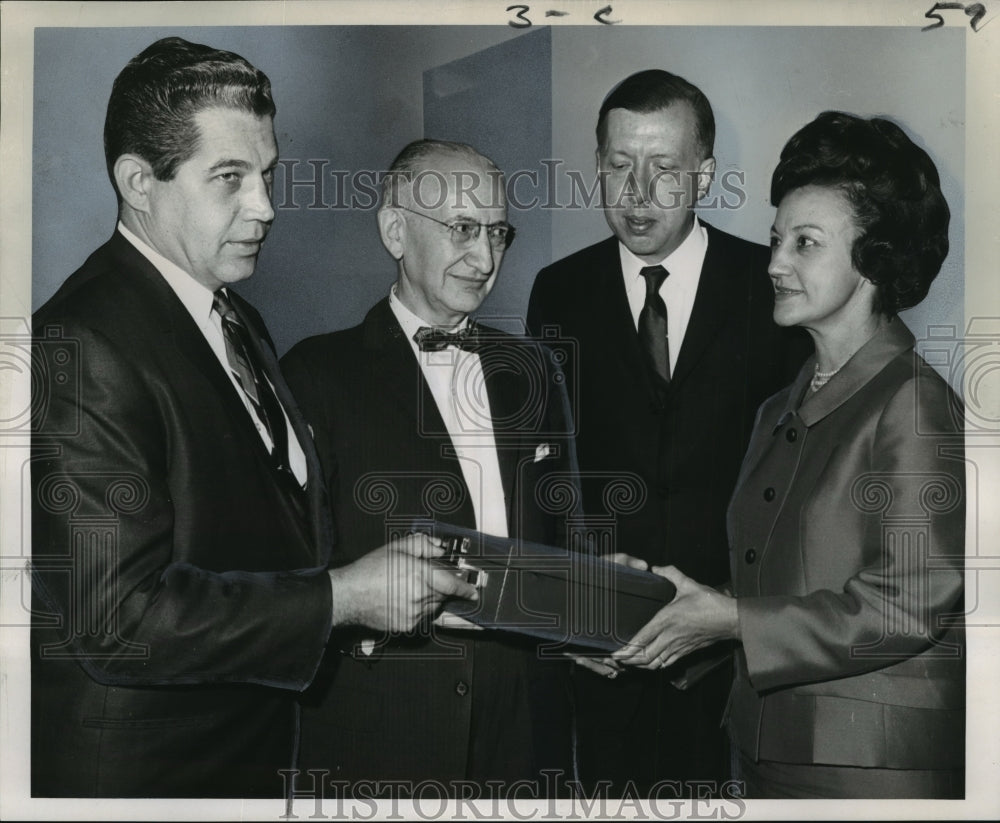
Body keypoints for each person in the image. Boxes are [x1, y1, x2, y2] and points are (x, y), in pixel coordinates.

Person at [30, 38, 476, 799]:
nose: (266, 207)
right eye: (230, 178)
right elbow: (115, 620)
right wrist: (344, 596)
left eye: (267, 175)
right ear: (139, 182)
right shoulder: (81, 340)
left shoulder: (237, 318)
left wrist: (386, 573)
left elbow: (259, 528)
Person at [614, 111, 965, 799]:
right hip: (760, 752)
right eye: (777, 241)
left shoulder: (914, 401)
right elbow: (770, 589)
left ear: (874, 259)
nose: (774, 263)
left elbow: (908, 604)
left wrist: (733, 619)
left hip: (870, 773)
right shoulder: (779, 408)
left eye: (805, 244)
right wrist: (666, 606)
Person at [526, 69, 811, 794]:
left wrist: (732, 617)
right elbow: (545, 473)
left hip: (733, 661)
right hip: (605, 657)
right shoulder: (558, 290)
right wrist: (566, 611)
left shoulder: (770, 285)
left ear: (704, 174)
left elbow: (799, 485)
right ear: (598, 167)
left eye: (665, 169)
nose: (637, 193)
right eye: (619, 166)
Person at [281, 139, 579, 794]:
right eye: (462, 230)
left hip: (526, 728)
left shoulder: (534, 369)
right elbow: (288, 569)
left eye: (498, 233)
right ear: (395, 230)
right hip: (384, 727)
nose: (485, 258)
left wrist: (602, 603)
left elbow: (566, 535)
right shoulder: (314, 373)